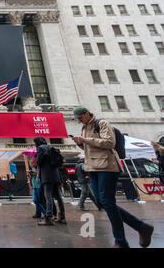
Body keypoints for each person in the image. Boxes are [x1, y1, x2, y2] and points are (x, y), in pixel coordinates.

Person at [71, 106, 154, 248]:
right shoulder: (84, 128)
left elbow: (110, 142)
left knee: (107, 202)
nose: (78, 120)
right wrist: (80, 144)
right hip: (92, 167)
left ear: (86, 114)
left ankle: (121, 242)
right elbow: (89, 147)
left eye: (80, 117)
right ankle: (141, 227)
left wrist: (85, 139)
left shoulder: (102, 123)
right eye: (77, 119)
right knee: (102, 202)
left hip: (107, 167)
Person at [35, 136, 66, 226]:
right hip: (56, 176)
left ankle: (48, 218)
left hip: (47, 176)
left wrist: (38, 157)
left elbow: (39, 162)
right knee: (59, 197)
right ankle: (62, 216)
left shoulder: (41, 148)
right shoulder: (49, 147)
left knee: (48, 196)